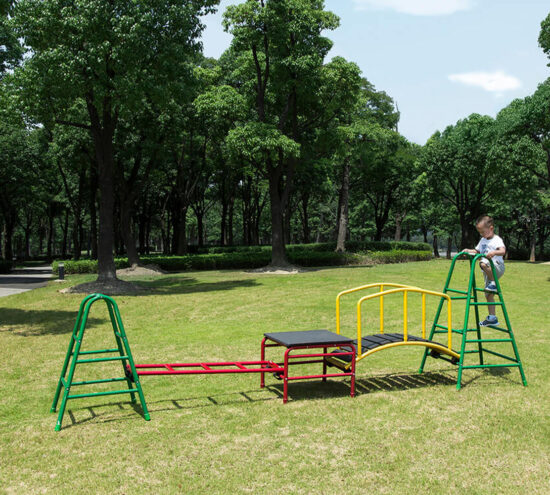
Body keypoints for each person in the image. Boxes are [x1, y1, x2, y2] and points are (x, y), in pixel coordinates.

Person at [461, 215, 506, 326]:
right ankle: (492, 318)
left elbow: (502, 251)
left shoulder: (497, 240)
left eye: (483, 232)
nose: (481, 234)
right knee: (488, 295)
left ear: (491, 228)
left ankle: (494, 282)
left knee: (482, 262)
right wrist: (468, 251)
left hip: (497, 266)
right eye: (480, 232)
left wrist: (494, 252)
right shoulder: (483, 240)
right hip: (488, 271)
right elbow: (477, 251)